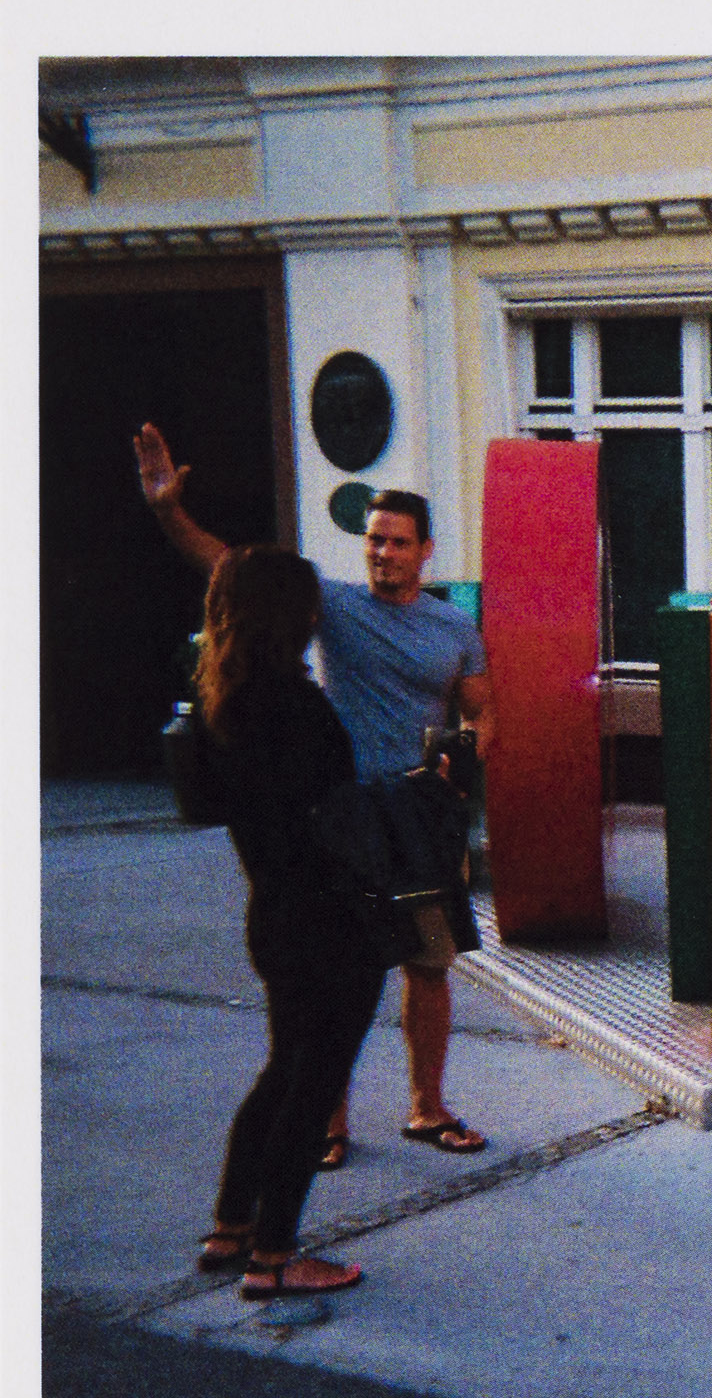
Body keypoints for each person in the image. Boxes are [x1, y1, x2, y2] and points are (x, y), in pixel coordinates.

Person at [136, 423, 494, 1167]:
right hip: (344, 819)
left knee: (428, 966)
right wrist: (170, 512)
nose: (382, 553)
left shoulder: (455, 627)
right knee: (341, 974)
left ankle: (426, 1109)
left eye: (398, 542)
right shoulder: (331, 604)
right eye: (373, 540)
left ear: (426, 550)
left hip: (420, 819)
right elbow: (233, 569)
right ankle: (328, 1123)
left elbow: (482, 709)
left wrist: (466, 760)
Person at [190, 547, 391, 1297]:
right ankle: (277, 1256)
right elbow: (340, 820)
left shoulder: (224, 706)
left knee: (283, 1069)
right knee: (316, 1082)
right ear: (288, 616)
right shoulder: (301, 710)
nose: (316, 618)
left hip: (271, 911)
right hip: (331, 920)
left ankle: (231, 1225)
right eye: (307, 606)